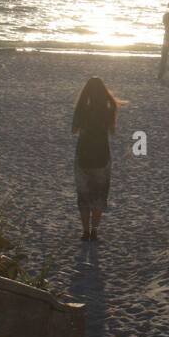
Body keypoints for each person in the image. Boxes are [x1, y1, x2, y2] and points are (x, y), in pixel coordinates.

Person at [72, 76, 118, 241]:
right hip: (102, 156)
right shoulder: (107, 109)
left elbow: (74, 130)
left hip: (83, 155)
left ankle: (85, 231)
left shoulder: (81, 109)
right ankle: (95, 231)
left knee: (84, 195)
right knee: (99, 195)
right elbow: (111, 131)